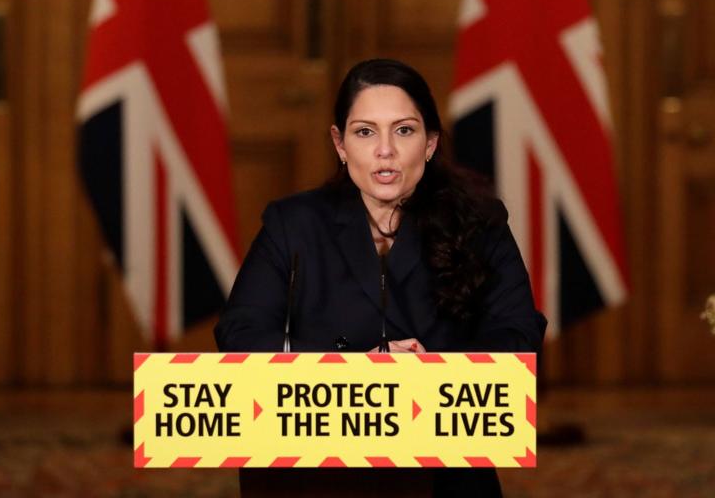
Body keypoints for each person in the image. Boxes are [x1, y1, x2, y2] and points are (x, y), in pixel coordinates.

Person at [215, 58, 547, 497]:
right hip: (321, 464)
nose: (384, 149)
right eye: (365, 131)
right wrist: (350, 373)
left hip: (444, 465)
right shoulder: (292, 224)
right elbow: (240, 333)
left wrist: (432, 377)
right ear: (340, 143)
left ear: (429, 143)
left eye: (404, 130)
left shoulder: (480, 223)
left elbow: (519, 333)